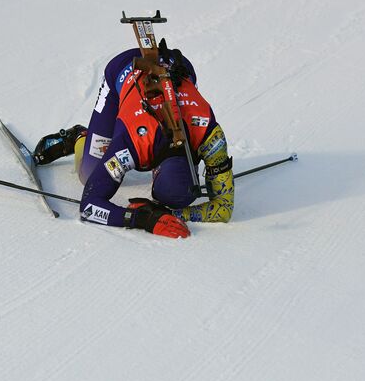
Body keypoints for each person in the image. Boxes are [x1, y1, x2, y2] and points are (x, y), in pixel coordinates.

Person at [33, 41, 234, 238]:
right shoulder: (131, 146)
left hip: (178, 67)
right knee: (89, 174)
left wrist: (171, 214)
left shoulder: (210, 137)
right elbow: (89, 207)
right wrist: (142, 219)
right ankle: (79, 137)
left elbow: (224, 210)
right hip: (123, 69)